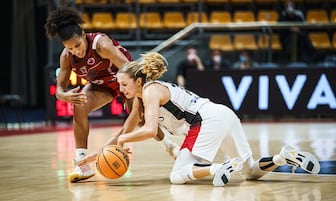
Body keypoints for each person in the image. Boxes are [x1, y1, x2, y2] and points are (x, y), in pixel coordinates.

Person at [112, 52, 320, 187]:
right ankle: (282, 157)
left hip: (205, 120)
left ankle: (218, 167)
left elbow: (149, 130)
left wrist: (123, 140)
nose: (121, 89)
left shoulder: (150, 92)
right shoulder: (147, 94)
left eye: (124, 84)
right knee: (250, 171)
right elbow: (151, 131)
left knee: (177, 176)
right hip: (223, 114)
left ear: (138, 80)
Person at [44, 6, 179, 183]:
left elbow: (130, 71)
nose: (76, 51)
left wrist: (138, 97)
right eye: (70, 48)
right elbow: (60, 89)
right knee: (79, 106)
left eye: (77, 45)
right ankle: (82, 163)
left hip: (125, 80)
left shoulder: (101, 45)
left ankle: (170, 147)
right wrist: (64, 96)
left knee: (141, 119)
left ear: (84, 36)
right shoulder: (66, 57)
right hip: (102, 85)